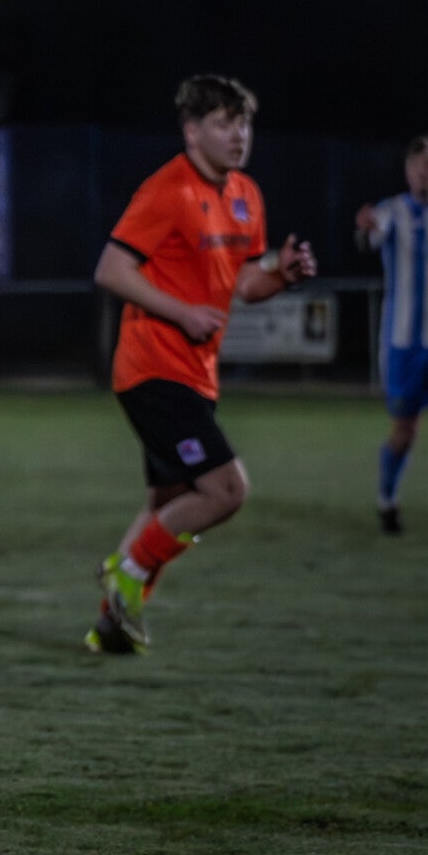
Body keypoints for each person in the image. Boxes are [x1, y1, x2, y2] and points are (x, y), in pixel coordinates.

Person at [85, 74, 317, 654]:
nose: (238, 136)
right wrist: (181, 312)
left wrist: (282, 275)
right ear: (191, 132)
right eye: (223, 124)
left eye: (244, 124)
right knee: (225, 489)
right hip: (152, 368)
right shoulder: (168, 190)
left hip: (195, 374)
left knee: (168, 504)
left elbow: (244, 282)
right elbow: (111, 269)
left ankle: (112, 624)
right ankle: (126, 572)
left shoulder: (247, 195)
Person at [355, 135, 428, 533]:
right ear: (408, 173)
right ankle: (387, 498)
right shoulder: (393, 211)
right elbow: (369, 237)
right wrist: (365, 228)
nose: (425, 174)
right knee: (405, 431)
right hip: (404, 345)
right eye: (418, 168)